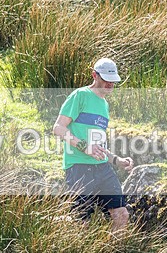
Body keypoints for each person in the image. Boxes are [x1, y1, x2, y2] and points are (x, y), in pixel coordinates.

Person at [53, 58, 134, 229]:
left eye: (113, 80)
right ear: (94, 75)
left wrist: (117, 160)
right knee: (82, 222)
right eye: (106, 79)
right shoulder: (80, 95)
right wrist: (85, 148)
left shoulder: (104, 105)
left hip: (102, 168)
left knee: (121, 214)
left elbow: (98, 145)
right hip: (78, 167)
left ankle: (116, 247)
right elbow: (58, 128)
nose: (110, 84)